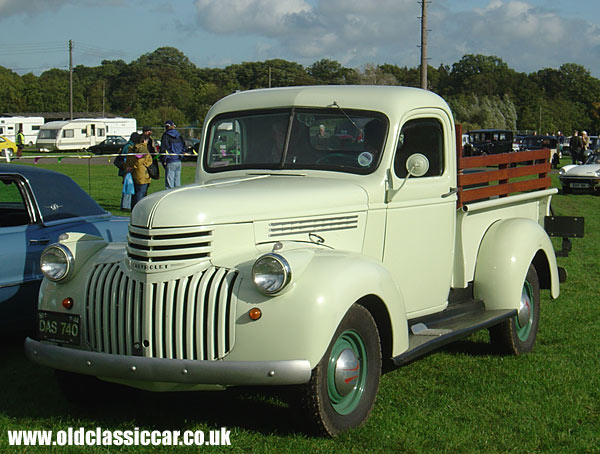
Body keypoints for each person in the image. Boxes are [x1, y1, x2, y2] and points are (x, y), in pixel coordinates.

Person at [125, 134, 153, 209]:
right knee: (140, 194)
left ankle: (133, 208)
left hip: (134, 174)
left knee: (135, 194)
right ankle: (139, 209)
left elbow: (128, 160)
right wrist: (134, 166)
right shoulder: (142, 148)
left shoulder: (131, 148)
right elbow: (142, 160)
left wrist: (130, 167)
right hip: (142, 175)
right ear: (143, 140)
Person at [160, 120, 185, 189]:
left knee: (169, 184)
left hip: (170, 161)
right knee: (177, 182)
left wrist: (163, 160)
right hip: (178, 161)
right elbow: (183, 147)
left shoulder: (166, 136)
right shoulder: (179, 135)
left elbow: (164, 149)